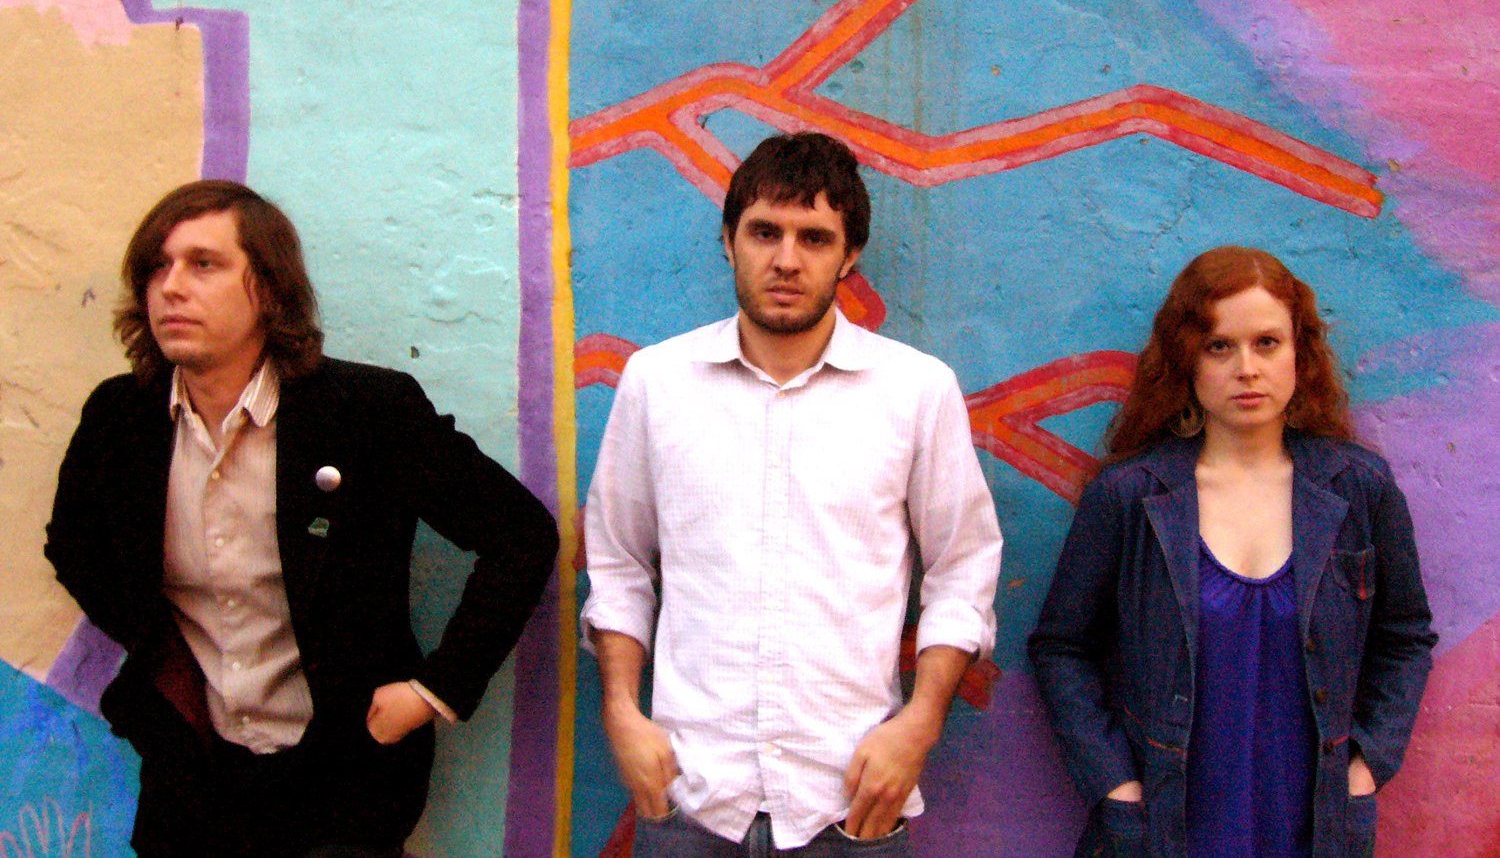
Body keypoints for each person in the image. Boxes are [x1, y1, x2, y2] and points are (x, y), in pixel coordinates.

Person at [45, 180, 559, 858]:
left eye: (204, 264)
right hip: (191, 776)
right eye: (156, 267)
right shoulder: (121, 418)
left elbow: (521, 536)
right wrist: (163, 660)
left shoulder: (364, 411)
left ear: (268, 287)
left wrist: (435, 689)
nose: (171, 287)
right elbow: (73, 546)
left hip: (346, 779)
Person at [581, 131, 1004, 856]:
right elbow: (619, 563)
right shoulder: (658, 383)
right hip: (691, 797)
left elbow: (963, 569)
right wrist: (622, 710)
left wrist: (920, 724)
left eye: (814, 237)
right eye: (764, 232)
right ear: (728, 242)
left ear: (850, 254)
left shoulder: (916, 391)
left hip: (849, 801)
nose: (786, 259)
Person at [1029, 246, 1436, 858]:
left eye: (1267, 343)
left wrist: (1367, 764)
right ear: (1186, 359)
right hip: (1165, 828)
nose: (1247, 368)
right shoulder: (1130, 497)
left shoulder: (1358, 490)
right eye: (1219, 346)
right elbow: (1062, 647)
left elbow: (1405, 638)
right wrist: (1115, 785)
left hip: (1315, 826)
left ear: (1299, 353)